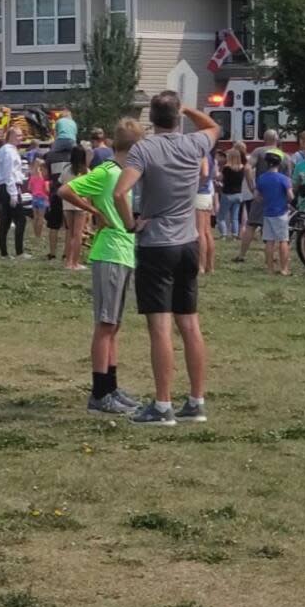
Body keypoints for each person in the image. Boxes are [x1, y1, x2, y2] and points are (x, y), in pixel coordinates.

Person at [114, 91, 220, 426]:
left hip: (157, 243)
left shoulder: (145, 149)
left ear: (152, 119)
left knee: (160, 326)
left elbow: (120, 192)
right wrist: (189, 108)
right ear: (177, 117)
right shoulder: (193, 145)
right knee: (189, 323)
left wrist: (132, 223)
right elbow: (214, 126)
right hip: (188, 240)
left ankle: (162, 405)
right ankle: (196, 401)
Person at [60, 119, 144, 416]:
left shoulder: (122, 175)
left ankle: (112, 386)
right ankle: (99, 392)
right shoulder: (107, 173)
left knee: (114, 325)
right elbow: (66, 190)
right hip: (109, 252)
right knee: (105, 325)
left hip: (123, 253)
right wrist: (94, 211)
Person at [234, 130, 291, 263]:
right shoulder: (285, 156)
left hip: (262, 194)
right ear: (277, 139)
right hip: (278, 198)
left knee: (252, 224)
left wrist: (252, 188)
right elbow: (288, 179)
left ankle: (242, 255)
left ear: (264, 139)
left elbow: (247, 168)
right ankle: (274, 256)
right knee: (277, 229)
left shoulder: (259, 151)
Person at [0, 127, 30, 259]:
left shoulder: (9, 151)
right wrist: (13, 193)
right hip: (9, 187)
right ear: (10, 136)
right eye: (18, 136)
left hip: (8, 186)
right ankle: (18, 251)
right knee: (19, 219)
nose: (20, 138)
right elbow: (9, 173)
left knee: (6, 220)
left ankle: (5, 252)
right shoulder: (9, 152)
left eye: (21, 136)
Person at [256, 153, 293, 276]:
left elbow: (257, 196)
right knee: (283, 240)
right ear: (279, 164)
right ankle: (284, 268)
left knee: (269, 241)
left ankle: (270, 269)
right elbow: (290, 196)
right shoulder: (284, 179)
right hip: (281, 212)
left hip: (268, 212)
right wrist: (286, 202)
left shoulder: (261, 178)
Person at [43, 133, 75, 260]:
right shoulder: (73, 156)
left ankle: (52, 253)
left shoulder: (50, 156)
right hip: (70, 193)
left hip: (55, 193)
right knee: (69, 226)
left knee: (53, 225)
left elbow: (47, 176)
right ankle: (66, 253)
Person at [60, 145, 90, 270]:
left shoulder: (66, 169)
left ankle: (68, 261)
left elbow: (61, 182)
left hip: (67, 203)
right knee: (78, 234)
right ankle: (75, 262)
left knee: (70, 233)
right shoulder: (86, 171)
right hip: (80, 203)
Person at [217, 147, 244, 239]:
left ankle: (224, 234)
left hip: (227, 194)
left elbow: (220, 178)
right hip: (238, 194)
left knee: (221, 216)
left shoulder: (226, 168)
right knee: (235, 217)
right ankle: (235, 235)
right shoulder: (242, 168)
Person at [195, 153, 215, 274]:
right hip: (207, 194)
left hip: (199, 194)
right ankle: (210, 266)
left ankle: (201, 265)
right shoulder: (210, 156)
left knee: (200, 232)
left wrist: (194, 186)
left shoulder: (202, 155)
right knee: (207, 232)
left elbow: (204, 173)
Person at [28, 158, 50, 238]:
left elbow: (29, 188)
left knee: (35, 217)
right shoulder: (44, 177)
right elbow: (47, 189)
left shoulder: (33, 177)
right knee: (41, 217)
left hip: (34, 198)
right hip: (42, 198)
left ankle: (35, 233)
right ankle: (39, 235)